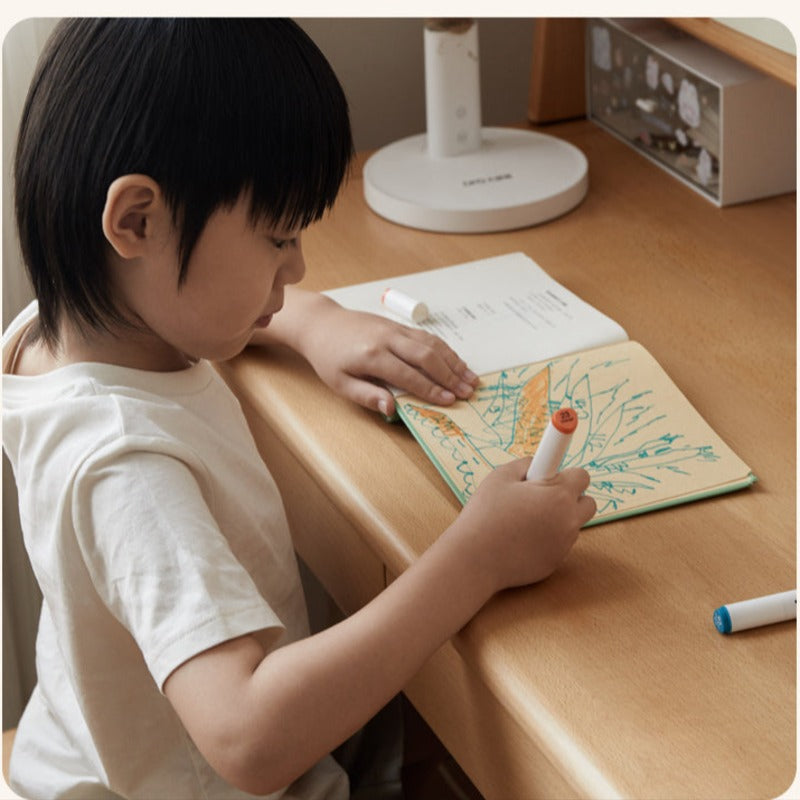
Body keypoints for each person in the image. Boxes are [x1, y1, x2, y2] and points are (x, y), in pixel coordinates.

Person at [2, 18, 596, 800]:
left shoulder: (56, 331)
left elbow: (176, 305)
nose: (300, 264)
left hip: (82, 748)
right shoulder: (128, 469)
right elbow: (249, 738)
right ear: (138, 220)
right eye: (278, 238)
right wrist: (476, 556)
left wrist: (312, 321)